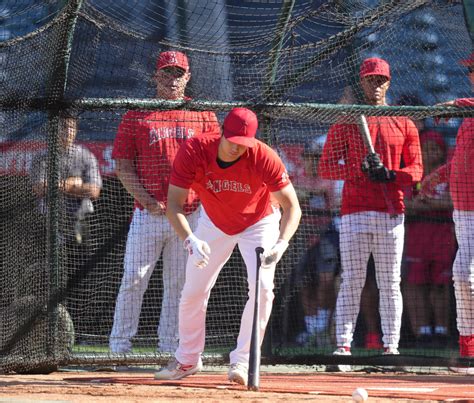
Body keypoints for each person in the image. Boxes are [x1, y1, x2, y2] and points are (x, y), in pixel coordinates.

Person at [154, 107, 301, 384]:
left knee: (263, 289)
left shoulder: (263, 156)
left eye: (243, 144)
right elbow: (174, 205)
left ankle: (243, 362)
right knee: (193, 290)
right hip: (213, 222)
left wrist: (282, 243)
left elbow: (292, 206)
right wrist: (190, 239)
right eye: (232, 141)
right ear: (222, 132)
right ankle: (187, 359)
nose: (237, 149)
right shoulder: (194, 150)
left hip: (260, 222)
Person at [109, 51, 220, 354]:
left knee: (179, 286)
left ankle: (169, 349)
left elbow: (217, 163)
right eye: (167, 73)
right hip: (150, 213)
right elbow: (122, 164)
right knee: (134, 278)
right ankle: (119, 348)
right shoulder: (137, 114)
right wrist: (145, 199)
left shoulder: (203, 114)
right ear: (155, 77)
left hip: (190, 215)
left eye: (178, 73)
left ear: (188, 77)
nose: (173, 79)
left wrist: (201, 200)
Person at [318, 57, 423, 371]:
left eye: (380, 80)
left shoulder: (403, 121)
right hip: (354, 212)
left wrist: (390, 175)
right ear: (362, 83)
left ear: (388, 83)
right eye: (370, 80)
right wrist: (358, 168)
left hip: (392, 212)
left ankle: (391, 349)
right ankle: (343, 349)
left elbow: (416, 169)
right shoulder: (347, 120)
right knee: (351, 280)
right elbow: (325, 166)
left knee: (391, 282)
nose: (375, 85)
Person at [31, 111, 102, 340]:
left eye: (70, 128)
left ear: (76, 130)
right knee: (49, 276)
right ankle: (48, 329)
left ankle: (79, 329)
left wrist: (59, 186)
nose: (66, 132)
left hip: (79, 225)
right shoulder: (43, 157)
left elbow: (94, 190)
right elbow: (39, 188)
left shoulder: (85, 156)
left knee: (79, 276)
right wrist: (71, 183)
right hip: (48, 225)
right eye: (62, 128)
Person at [436, 52, 474, 373]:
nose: (472, 73)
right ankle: (468, 348)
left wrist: (459, 102)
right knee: (463, 276)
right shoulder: (469, 116)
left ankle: (469, 346)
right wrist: (440, 173)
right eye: (471, 69)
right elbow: (464, 159)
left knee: (464, 274)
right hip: (462, 210)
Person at [403, 130, 456, 348]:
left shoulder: (451, 174)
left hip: (443, 236)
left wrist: (428, 204)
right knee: (416, 284)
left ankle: (441, 332)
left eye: (435, 149)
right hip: (417, 235)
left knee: (440, 284)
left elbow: (453, 203)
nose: (431, 153)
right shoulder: (416, 175)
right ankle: (421, 332)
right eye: (426, 149)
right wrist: (428, 205)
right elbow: (406, 204)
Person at [292, 135, 341, 348]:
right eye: (309, 158)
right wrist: (301, 194)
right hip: (302, 234)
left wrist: (303, 194)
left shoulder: (328, 178)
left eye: (317, 158)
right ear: (303, 159)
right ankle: (312, 329)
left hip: (326, 234)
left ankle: (323, 325)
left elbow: (318, 193)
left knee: (325, 280)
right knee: (305, 282)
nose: (313, 162)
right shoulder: (297, 178)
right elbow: (293, 195)